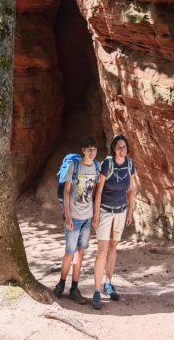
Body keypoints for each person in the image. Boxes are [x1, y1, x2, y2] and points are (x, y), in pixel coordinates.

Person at [91, 133, 136, 310]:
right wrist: (96, 214)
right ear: (114, 148)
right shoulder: (107, 164)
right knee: (102, 250)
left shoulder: (130, 165)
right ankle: (96, 291)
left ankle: (108, 284)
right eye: (119, 147)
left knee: (113, 247)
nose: (122, 150)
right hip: (105, 212)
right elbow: (99, 191)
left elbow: (131, 190)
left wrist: (130, 212)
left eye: (124, 147)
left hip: (121, 211)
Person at [55, 136, 99, 305]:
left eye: (94, 150)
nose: (92, 153)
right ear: (83, 151)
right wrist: (67, 216)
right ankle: (61, 284)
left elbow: (94, 193)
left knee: (81, 252)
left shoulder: (96, 166)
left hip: (87, 218)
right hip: (74, 218)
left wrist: (95, 215)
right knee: (69, 253)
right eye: (89, 150)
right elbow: (67, 192)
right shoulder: (75, 166)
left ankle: (74, 288)